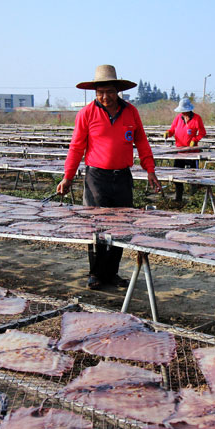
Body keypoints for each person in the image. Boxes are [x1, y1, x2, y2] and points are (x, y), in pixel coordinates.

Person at [57, 64, 162, 290]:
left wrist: (150, 169)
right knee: (97, 226)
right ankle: (95, 274)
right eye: (100, 92)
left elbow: (141, 142)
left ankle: (112, 273)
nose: (105, 97)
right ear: (95, 92)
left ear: (118, 91)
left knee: (121, 226)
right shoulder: (86, 114)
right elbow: (76, 147)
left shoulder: (131, 112)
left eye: (110, 92)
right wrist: (68, 176)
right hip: (96, 178)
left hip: (122, 177)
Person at [164, 98, 206, 202]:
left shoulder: (197, 118)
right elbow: (172, 130)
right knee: (177, 175)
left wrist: (195, 139)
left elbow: (202, 132)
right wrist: (168, 133)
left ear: (189, 110)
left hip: (192, 153)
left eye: (184, 111)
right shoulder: (178, 118)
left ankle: (194, 199)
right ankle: (178, 198)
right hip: (179, 152)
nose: (183, 113)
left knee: (193, 175)